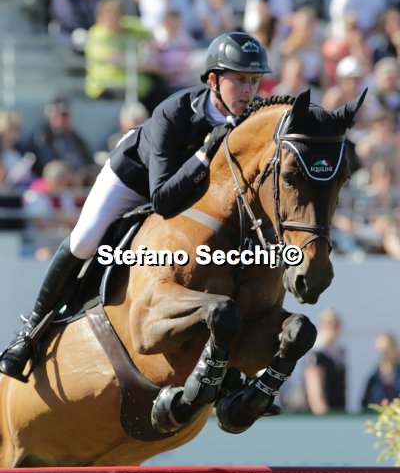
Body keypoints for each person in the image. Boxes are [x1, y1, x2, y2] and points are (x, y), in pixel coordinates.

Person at [0, 30, 272, 383]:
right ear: (213, 80)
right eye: (239, 80)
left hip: (190, 195)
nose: (248, 91)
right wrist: (206, 153)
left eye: (254, 81)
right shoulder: (175, 112)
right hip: (133, 180)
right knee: (85, 239)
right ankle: (31, 331)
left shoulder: (251, 121)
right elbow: (162, 198)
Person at [27, 96, 94, 177]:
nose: (63, 119)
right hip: (58, 179)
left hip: (81, 179)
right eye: (60, 115)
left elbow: (89, 161)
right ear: (50, 117)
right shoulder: (43, 137)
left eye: (66, 115)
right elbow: (48, 165)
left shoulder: (77, 138)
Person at [304, 309, 347, 414]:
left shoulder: (339, 353)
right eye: (330, 324)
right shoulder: (316, 354)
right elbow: (315, 395)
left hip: (337, 412)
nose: (334, 328)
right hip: (321, 417)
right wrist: (324, 418)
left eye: (337, 325)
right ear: (322, 326)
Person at [361, 333, 400, 409]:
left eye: (386, 351)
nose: (383, 354)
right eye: (381, 350)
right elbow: (365, 403)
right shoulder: (373, 378)